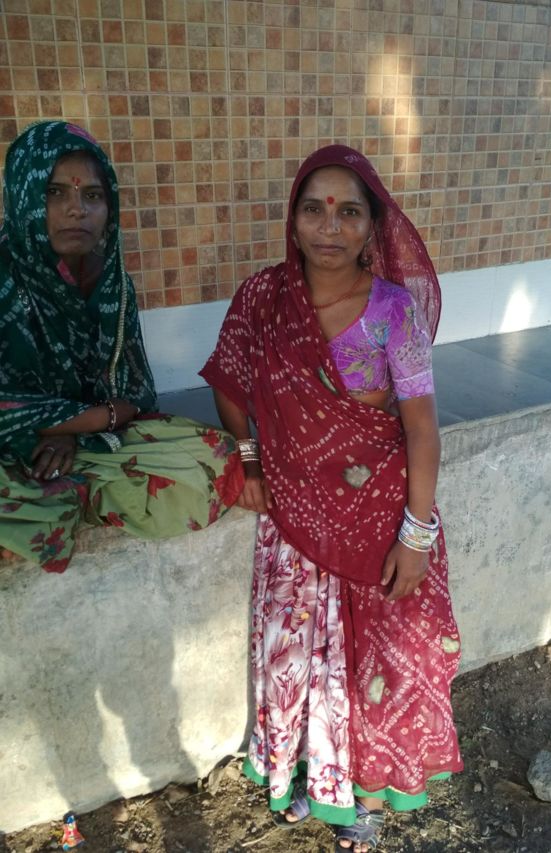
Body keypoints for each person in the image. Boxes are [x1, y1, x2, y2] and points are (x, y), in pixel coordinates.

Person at [200, 145, 462, 852]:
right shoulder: (264, 298)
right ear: (294, 218)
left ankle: (367, 798)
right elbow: (229, 381)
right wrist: (250, 460)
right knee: (296, 659)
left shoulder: (393, 311)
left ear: (372, 226)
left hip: (378, 514)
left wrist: (415, 536)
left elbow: (421, 429)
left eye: (349, 212)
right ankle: (307, 775)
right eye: (314, 209)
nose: (330, 226)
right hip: (292, 514)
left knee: (375, 665)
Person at [0, 121, 242, 572]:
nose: (77, 210)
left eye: (92, 195)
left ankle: (70, 494)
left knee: (217, 455)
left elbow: (134, 395)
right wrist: (70, 422)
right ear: (23, 195)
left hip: (91, 438)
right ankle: (68, 495)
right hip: (20, 446)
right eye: (55, 193)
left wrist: (73, 427)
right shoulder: (4, 281)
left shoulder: (113, 283)